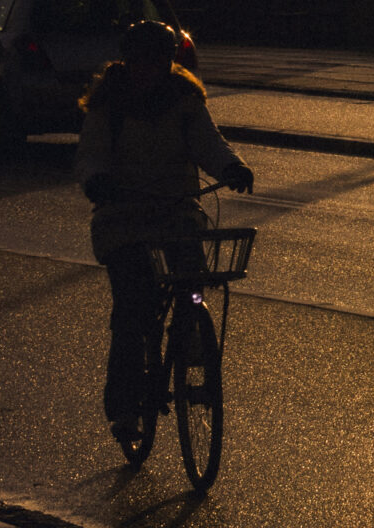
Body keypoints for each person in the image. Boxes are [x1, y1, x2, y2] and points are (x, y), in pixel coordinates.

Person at [76, 20, 253, 446]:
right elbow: (91, 154)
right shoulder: (108, 105)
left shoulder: (185, 101)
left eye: (158, 61)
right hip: (123, 218)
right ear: (128, 61)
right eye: (142, 61)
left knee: (191, 278)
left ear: (169, 61)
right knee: (132, 311)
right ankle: (125, 409)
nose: (149, 69)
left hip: (175, 212)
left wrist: (232, 166)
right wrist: (97, 181)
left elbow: (208, 143)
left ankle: (190, 330)